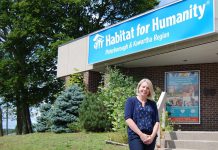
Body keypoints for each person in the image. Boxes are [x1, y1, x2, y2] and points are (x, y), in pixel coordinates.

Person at [124, 78, 160, 150]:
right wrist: (141, 134)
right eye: (143, 87)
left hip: (150, 137)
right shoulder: (131, 101)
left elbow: (157, 121)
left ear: (150, 91)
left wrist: (152, 136)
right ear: (139, 87)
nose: (145, 89)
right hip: (135, 136)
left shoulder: (153, 104)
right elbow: (128, 119)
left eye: (147, 88)